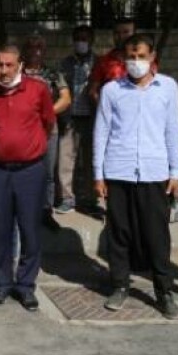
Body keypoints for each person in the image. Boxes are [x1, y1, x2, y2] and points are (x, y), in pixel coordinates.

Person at [94, 34, 178, 319]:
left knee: (156, 235)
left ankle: (164, 291)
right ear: (123, 59)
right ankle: (120, 284)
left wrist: (176, 171)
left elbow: (174, 130)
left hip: (154, 172)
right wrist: (98, 174)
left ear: (152, 57)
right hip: (118, 170)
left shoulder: (167, 87)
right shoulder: (112, 90)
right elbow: (101, 131)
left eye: (141, 56)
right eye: (131, 57)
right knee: (119, 233)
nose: (136, 62)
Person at [0, 44, 55, 311]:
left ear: (20, 65)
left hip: (30, 171)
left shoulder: (38, 89)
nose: (3, 70)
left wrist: (29, 147)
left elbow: (48, 123)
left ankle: (25, 285)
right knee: (0, 229)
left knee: (29, 229)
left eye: (8, 65)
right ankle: (2, 283)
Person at [22, 35, 72, 230]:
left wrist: (46, 112)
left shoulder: (52, 74)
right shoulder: (18, 72)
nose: (35, 51)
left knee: (48, 172)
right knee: (24, 171)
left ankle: (45, 211)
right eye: (31, 46)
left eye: (40, 47)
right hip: (23, 130)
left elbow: (65, 98)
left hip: (48, 130)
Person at [56, 24, 98, 214]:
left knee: (90, 159)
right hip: (70, 118)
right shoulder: (65, 64)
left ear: (92, 41)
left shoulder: (99, 63)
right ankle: (67, 198)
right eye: (78, 39)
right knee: (65, 159)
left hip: (92, 118)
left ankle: (89, 198)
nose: (81, 42)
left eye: (85, 39)